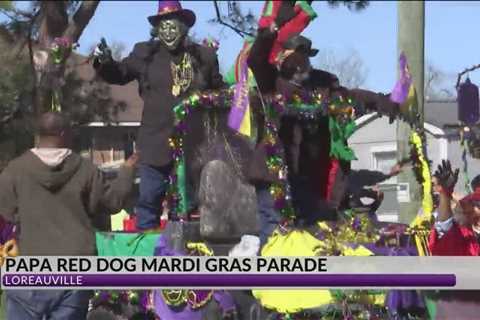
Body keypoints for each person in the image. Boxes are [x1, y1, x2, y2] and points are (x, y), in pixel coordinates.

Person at [246, 2, 399, 244]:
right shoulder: (271, 82)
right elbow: (255, 59)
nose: (301, 64)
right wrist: (269, 32)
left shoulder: (322, 86)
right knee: (275, 234)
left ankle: (309, 279)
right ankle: (270, 278)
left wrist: (390, 102)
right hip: (275, 173)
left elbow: (355, 96)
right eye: (295, 57)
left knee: (312, 234)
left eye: (305, 58)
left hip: (310, 177)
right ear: (283, 59)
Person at [93, 0, 224, 230]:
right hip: (154, 143)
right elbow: (120, 73)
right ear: (156, 29)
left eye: (173, 26)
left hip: (194, 147)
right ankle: (149, 257)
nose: (168, 31)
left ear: (184, 26)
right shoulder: (145, 54)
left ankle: (189, 254)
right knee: (148, 201)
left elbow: (217, 90)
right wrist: (104, 63)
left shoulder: (204, 56)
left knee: (190, 205)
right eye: (163, 26)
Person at [0, 112, 137, 320]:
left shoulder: (16, 170)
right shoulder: (86, 170)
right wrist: (127, 170)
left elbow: (6, 210)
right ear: (64, 133)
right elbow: (113, 202)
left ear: (38, 134)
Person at [428, 160, 480, 320]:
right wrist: (445, 193)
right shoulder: (464, 236)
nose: (472, 207)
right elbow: (444, 226)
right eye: (474, 203)